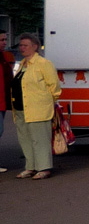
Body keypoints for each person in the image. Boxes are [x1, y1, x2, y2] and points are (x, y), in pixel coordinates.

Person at [11, 33, 61, 180]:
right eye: (20, 45)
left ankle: (44, 168)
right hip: (21, 109)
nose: (22, 48)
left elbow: (54, 86)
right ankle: (30, 167)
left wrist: (49, 101)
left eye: (25, 45)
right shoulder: (22, 64)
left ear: (35, 46)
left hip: (38, 109)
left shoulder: (43, 64)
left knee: (39, 139)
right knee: (25, 139)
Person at [0, 32, 15, 173]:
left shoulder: (5, 56)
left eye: (5, 39)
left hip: (3, 101)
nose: (4, 42)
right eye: (1, 40)